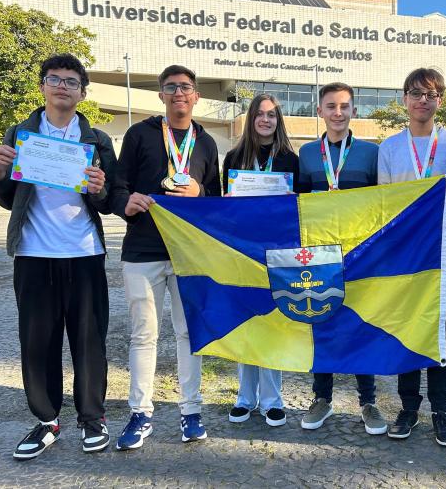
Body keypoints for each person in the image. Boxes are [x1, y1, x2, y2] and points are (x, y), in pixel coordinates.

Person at [0, 53, 116, 459]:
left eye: (71, 81)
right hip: (33, 252)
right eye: (54, 79)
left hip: (84, 252)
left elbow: (109, 200)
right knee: (38, 341)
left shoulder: (97, 140)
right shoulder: (20, 133)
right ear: (42, 86)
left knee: (89, 338)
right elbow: (8, 199)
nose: (62, 86)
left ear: (81, 93)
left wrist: (100, 188)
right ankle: (46, 420)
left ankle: (92, 417)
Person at [110, 65, 221, 450]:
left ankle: (191, 410)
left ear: (196, 96)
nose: (178, 93)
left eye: (185, 87)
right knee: (145, 335)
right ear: (161, 95)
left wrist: (199, 194)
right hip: (143, 251)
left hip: (189, 252)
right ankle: (141, 414)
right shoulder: (140, 134)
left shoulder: (206, 143)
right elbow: (117, 185)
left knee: (189, 333)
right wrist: (126, 201)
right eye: (171, 87)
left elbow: (217, 202)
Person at [377, 68, 446, 447]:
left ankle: (441, 411)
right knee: (407, 328)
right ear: (404, 99)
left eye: (430, 94)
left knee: (439, 330)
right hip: (403, 249)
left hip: (442, 244)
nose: (422, 100)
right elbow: (383, 202)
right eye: (415, 93)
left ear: (440, 101)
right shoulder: (390, 148)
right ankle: (408, 408)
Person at [297, 82, 387, 435]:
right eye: (331, 106)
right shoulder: (306, 153)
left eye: (344, 106)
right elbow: (299, 203)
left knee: (360, 323)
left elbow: (383, 203)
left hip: (359, 252)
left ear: (354, 111)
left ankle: (368, 401)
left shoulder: (370, 153)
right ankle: (322, 397)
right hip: (319, 253)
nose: (338, 113)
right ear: (319, 111)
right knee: (322, 321)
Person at [222, 93, 299, 427]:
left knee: (272, 325)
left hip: (276, 250)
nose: (266, 120)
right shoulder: (234, 157)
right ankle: (244, 398)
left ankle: (272, 401)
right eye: (260, 114)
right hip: (242, 250)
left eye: (272, 115)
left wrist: (293, 201)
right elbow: (223, 211)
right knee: (246, 324)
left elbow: (300, 208)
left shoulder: (288, 159)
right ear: (251, 118)